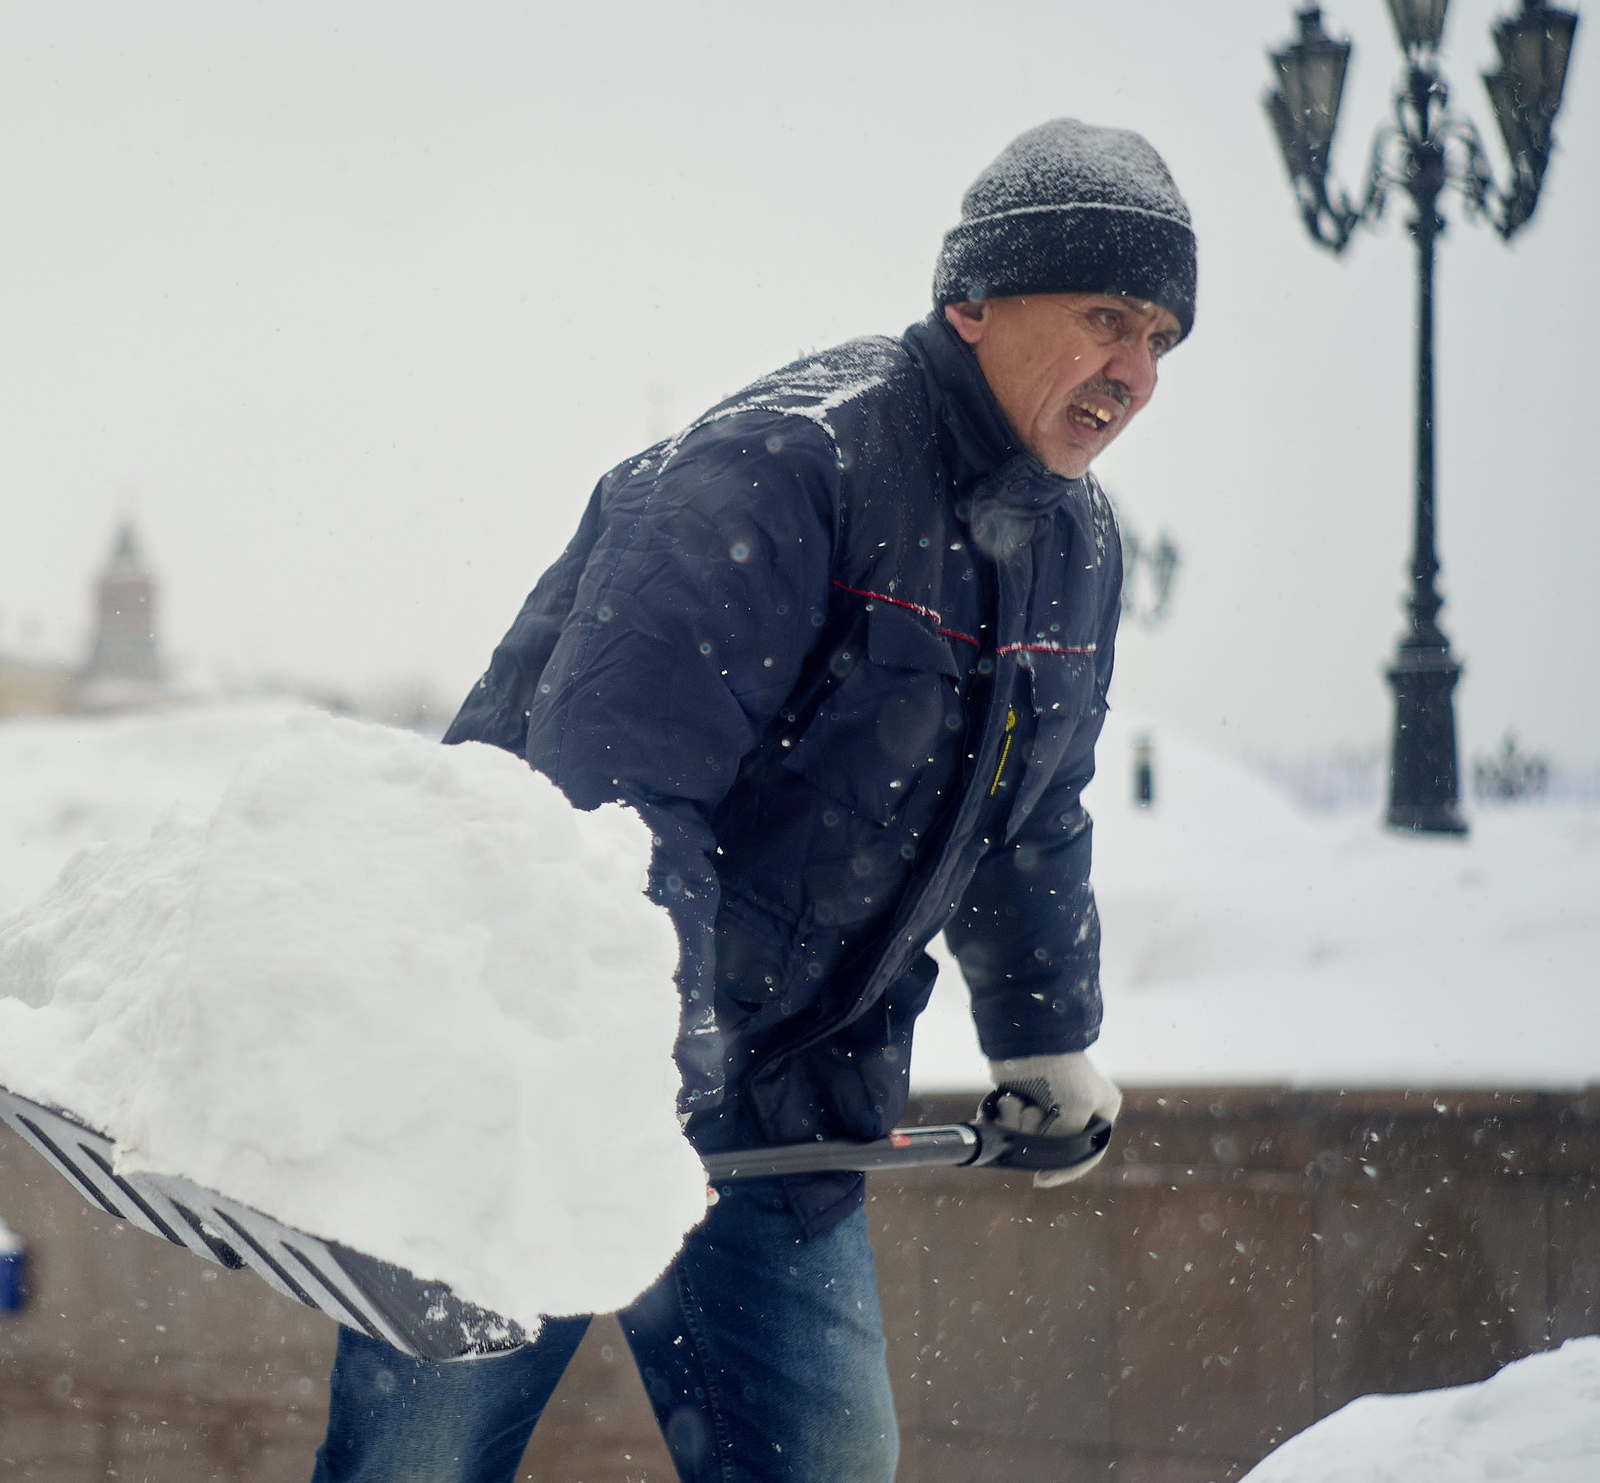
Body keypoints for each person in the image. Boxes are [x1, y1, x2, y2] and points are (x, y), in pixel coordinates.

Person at [309, 119, 1195, 1483]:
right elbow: (614, 786)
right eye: (1105, 319)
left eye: (1157, 340)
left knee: (829, 1464)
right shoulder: (787, 467)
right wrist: (653, 1051)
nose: (1132, 373)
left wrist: (1043, 1039)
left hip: (779, 1113)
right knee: (415, 1466)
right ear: (974, 299)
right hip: (531, 1074)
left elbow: (1034, 811)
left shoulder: (1077, 545)